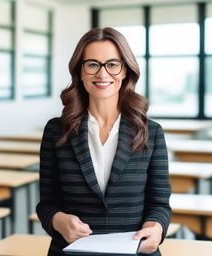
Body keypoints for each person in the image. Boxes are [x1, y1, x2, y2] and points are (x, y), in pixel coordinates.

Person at [36, 27, 172, 256]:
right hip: (71, 252)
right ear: (80, 72)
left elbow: (159, 204)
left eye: (112, 64)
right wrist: (58, 221)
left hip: (136, 252)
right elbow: (46, 204)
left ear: (125, 71)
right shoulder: (56, 130)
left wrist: (156, 228)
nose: (102, 73)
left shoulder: (151, 132)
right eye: (92, 64)